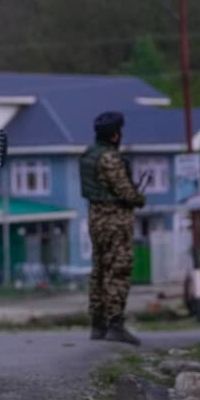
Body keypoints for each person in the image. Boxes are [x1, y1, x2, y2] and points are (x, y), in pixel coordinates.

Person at [79, 111, 145, 346]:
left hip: (96, 219)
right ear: (115, 135)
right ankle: (115, 324)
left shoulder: (88, 155)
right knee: (117, 270)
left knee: (99, 269)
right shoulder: (109, 158)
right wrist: (139, 197)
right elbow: (125, 192)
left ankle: (98, 324)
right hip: (115, 220)